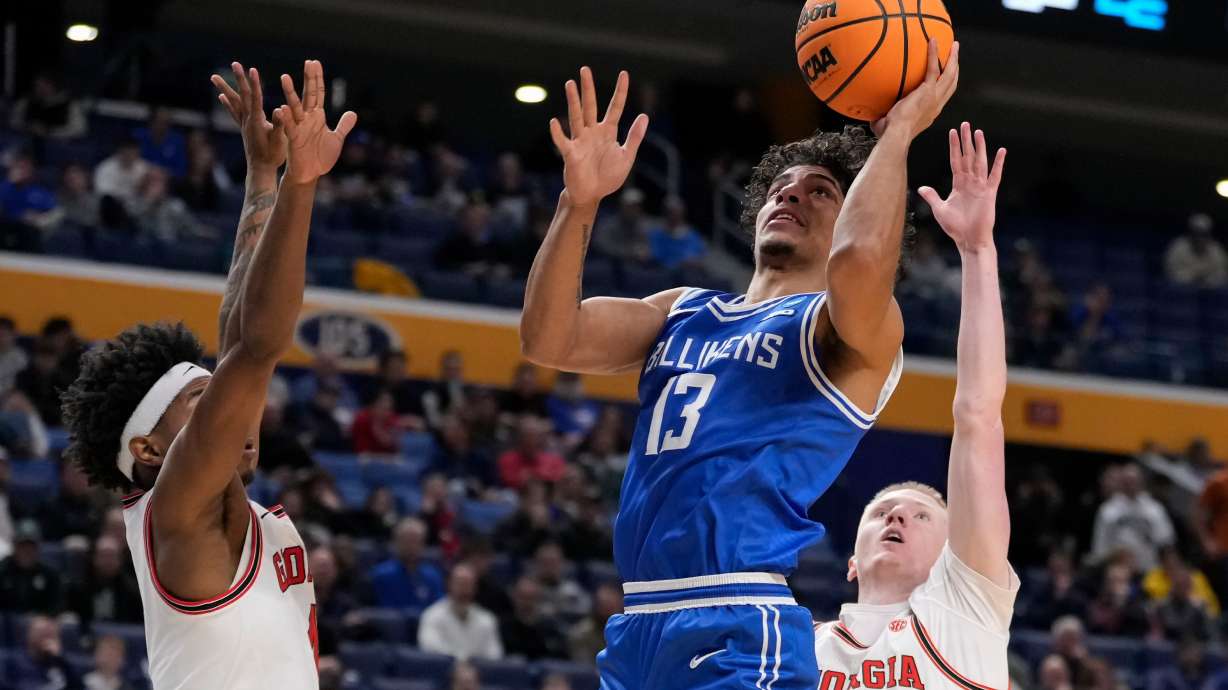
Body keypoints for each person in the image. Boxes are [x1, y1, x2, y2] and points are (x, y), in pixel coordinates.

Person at [520, 44, 958, 689]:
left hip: (737, 618)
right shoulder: (681, 310)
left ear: (850, 217)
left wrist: (894, 137)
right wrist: (578, 203)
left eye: (821, 192)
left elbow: (864, 262)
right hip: (639, 619)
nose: (792, 198)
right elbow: (547, 338)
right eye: (781, 190)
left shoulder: (842, 328)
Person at [58, 60, 356, 689]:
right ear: (148, 449)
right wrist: (302, 184)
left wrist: (263, 174)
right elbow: (255, 350)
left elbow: (236, 339)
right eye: (202, 400)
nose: (235, 408)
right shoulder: (177, 511)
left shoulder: (212, 504)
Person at [812, 122, 1016, 690]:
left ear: (956, 554)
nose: (896, 517)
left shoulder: (964, 604)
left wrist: (977, 250)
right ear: (850, 561)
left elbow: (978, 414)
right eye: (880, 514)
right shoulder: (800, 647)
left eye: (919, 516)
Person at [1091, 463, 1175, 571]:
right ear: (1121, 483)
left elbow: (1166, 542)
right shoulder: (1108, 509)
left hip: (1148, 570)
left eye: (1134, 480)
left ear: (1142, 482)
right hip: (1118, 572)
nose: (1131, 484)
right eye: (1127, 481)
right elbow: (1100, 545)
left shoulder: (1154, 509)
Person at [417, 563, 504, 661]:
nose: (464, 590)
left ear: (475, 588)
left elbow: (494, 656)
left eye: (468, 584)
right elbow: (430, 650)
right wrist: (460, 664)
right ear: (449, 585)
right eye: (460, 584)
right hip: (443, 673)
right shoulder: (431, 615)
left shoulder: (487, 620)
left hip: (479, 674)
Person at [368, 517, 445, 609]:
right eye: (407, 541)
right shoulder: (380, 574)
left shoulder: (433, 576)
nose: (411, 547)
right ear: (396, 542)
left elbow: (438, 610)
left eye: (416, 541)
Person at [1165, 213, 1228, 288]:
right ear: (1190, 232)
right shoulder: (1177, 247)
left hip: (1209, 292)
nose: (1199, 238)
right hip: (1183, 292)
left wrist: (1205, 279)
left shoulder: (1216, 250)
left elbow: (1222, 274)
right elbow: (1172, 273)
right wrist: (1196, 276)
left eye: (1203, 234)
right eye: (1196, 233)